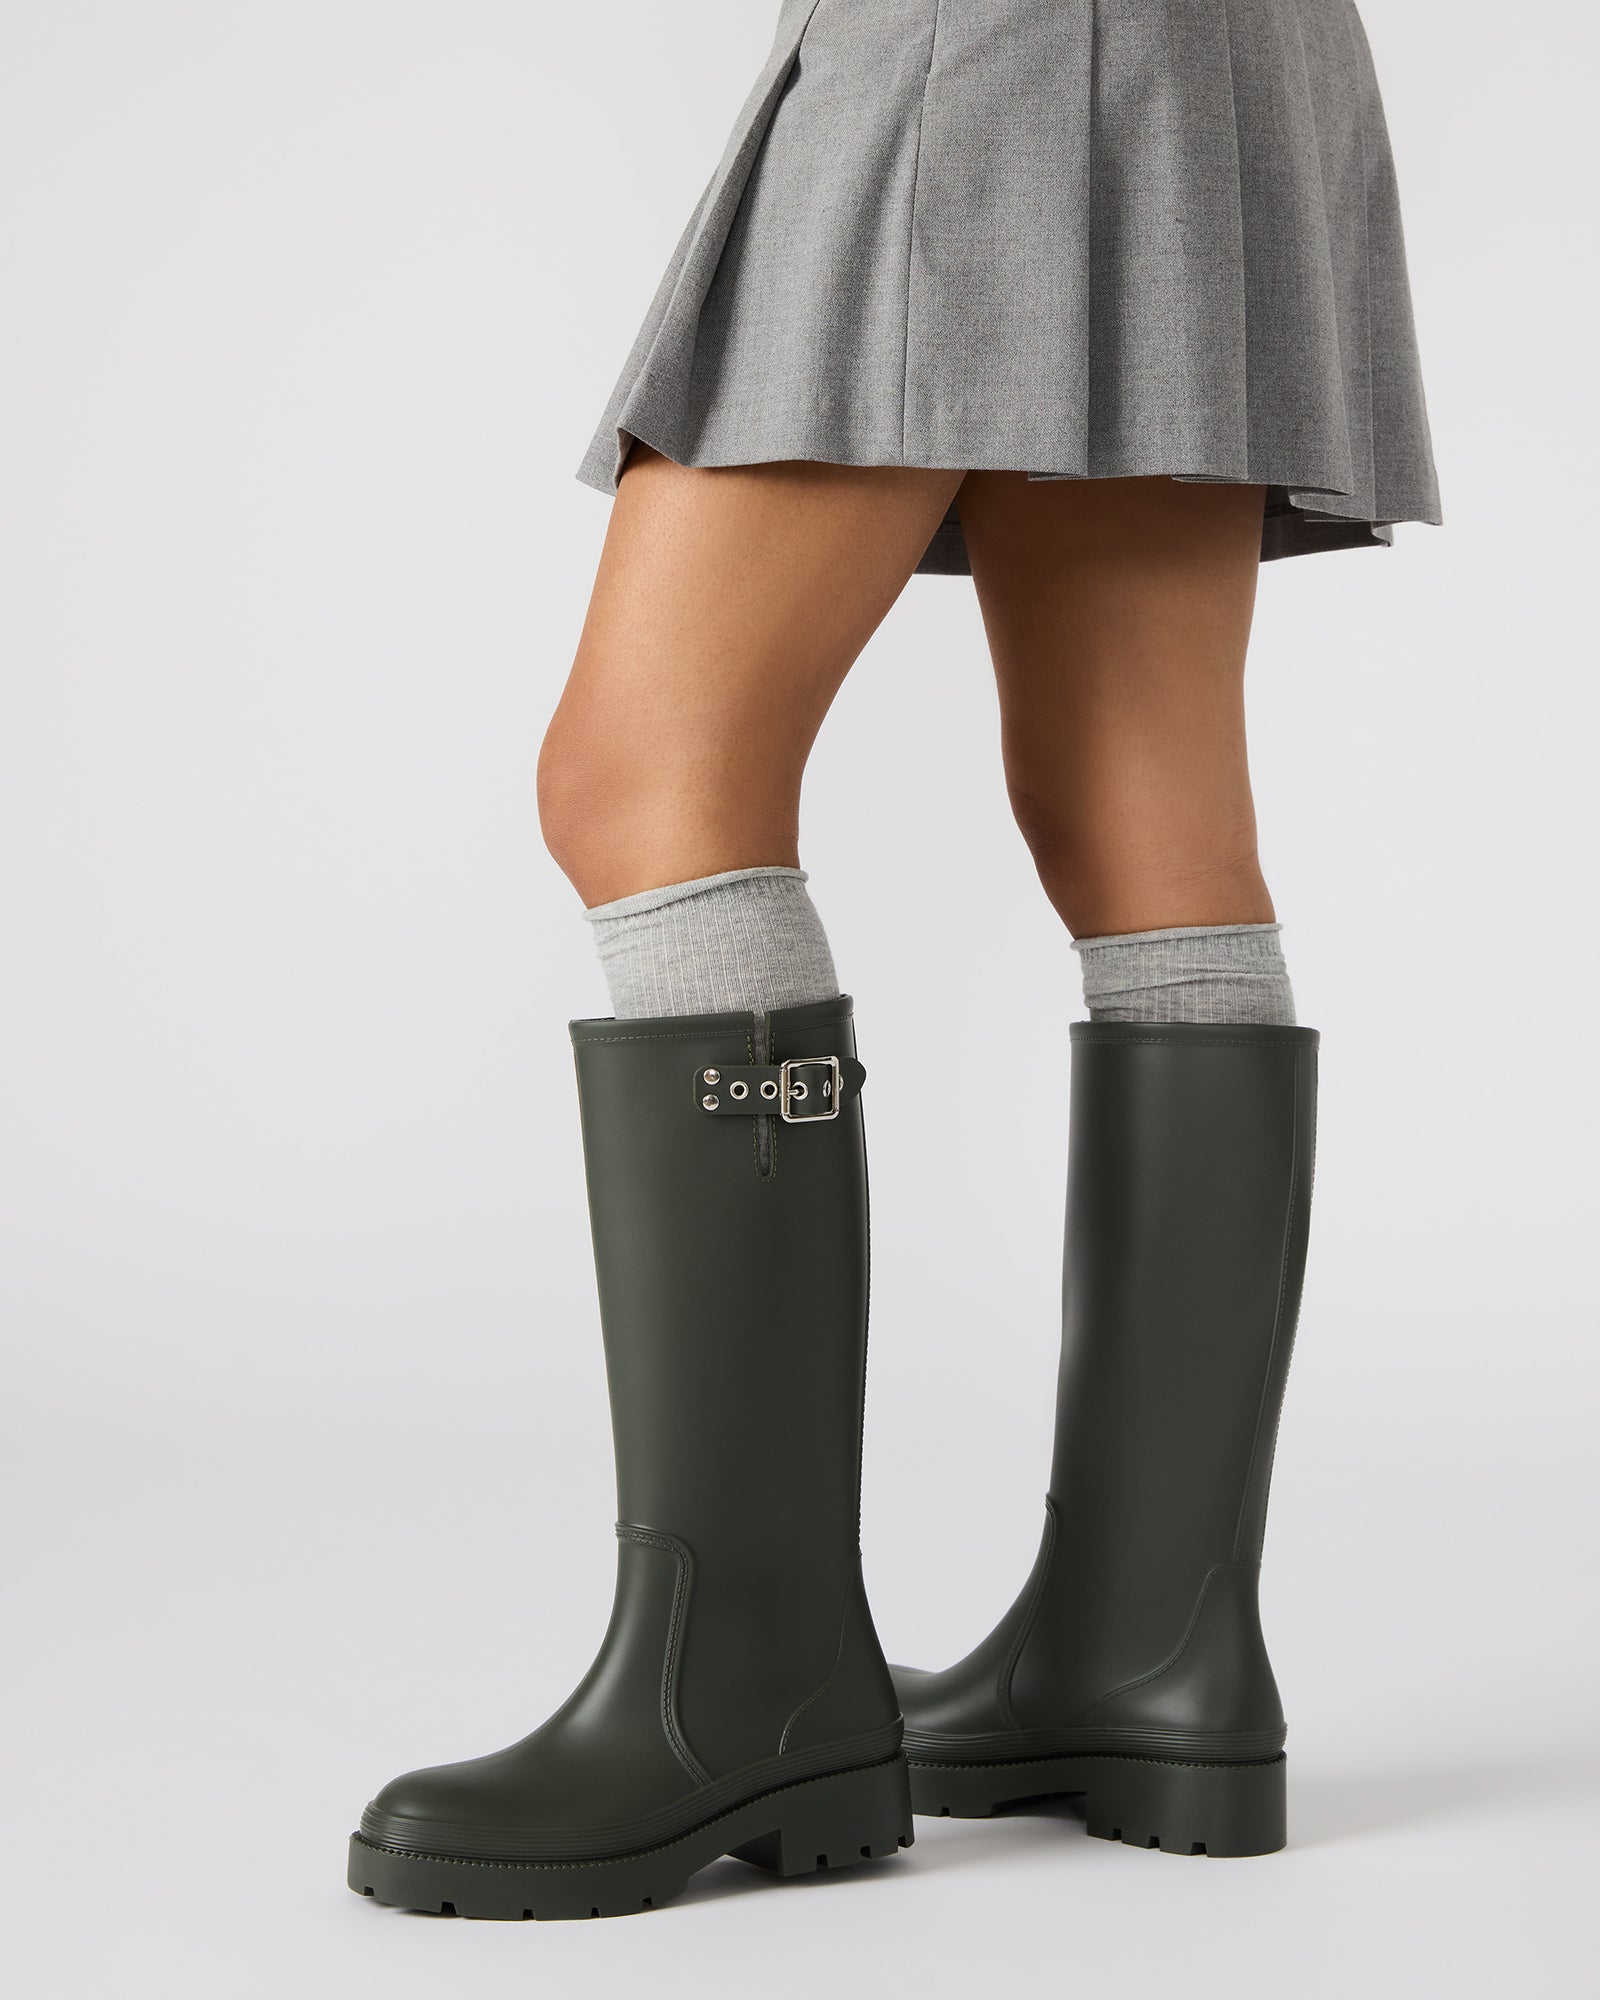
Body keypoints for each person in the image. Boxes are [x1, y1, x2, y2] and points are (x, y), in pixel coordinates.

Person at [348, 0, 1438, 1918]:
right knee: (1142, 820)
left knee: (643, 781)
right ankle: (1149, 1654)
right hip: (1216, 53)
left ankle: (737, 1680)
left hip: (995, 39)